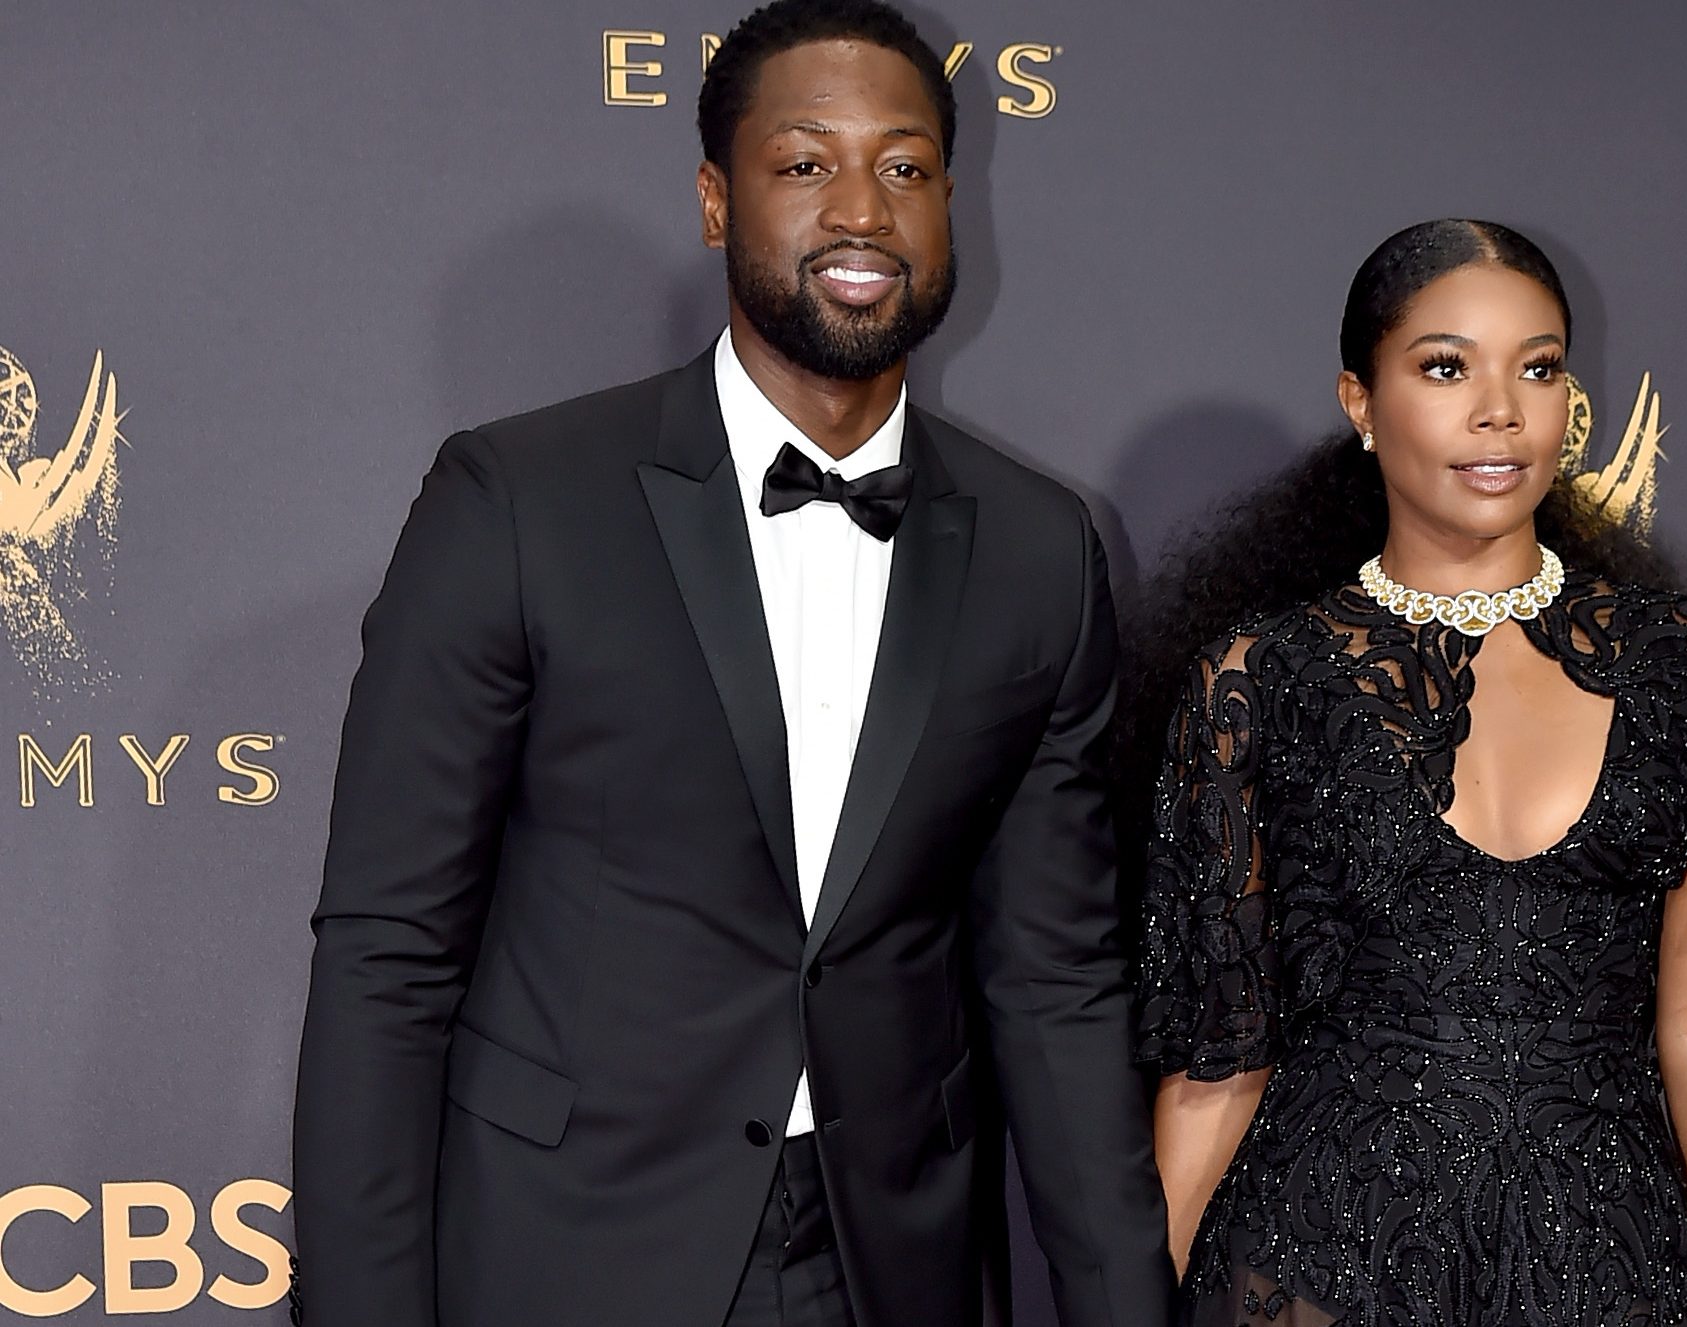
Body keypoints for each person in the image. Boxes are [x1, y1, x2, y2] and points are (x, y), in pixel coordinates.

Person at [289, 3, 1174, 1324]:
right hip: (566, 1247)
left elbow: (1052, 981)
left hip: (884, 1260)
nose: (865, 211)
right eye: (805, 164)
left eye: (907, 166)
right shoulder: (520, 499)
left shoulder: (1042, 548)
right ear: (716, 202)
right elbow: (387, 951)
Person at [1127, 219, 1687, 1327]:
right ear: (1359, 402)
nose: (1502, 411)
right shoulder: (1259, 680)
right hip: (1317, 1262)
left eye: (1538, 367)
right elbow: (1219, 1064)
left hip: (1609, 1270)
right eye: (1445, 367)